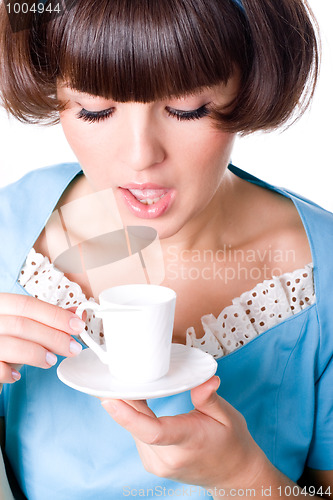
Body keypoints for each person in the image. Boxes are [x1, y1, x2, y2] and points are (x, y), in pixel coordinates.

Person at [0, 0, 332, 499]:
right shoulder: (12, 230)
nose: (140, 156)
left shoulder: (320, 272)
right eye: (94, 110)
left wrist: (244, 478)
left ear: (249, 83)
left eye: (186, 108)